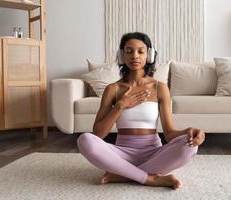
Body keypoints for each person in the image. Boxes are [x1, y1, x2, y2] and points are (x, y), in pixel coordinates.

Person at [77, 32, 205, 189]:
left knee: (190, 145)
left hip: (153, 153)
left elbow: (169, 134)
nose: (135, 56)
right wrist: (120, 106)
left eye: (140, 51)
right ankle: (149, 179)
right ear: (122, 55)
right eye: (129, 51)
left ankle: (124, 175)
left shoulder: (160, 88)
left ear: (149, 55)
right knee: (85, 140)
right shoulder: (113, 89)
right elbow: (97, 134)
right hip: (121, 154)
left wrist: (189, 131)